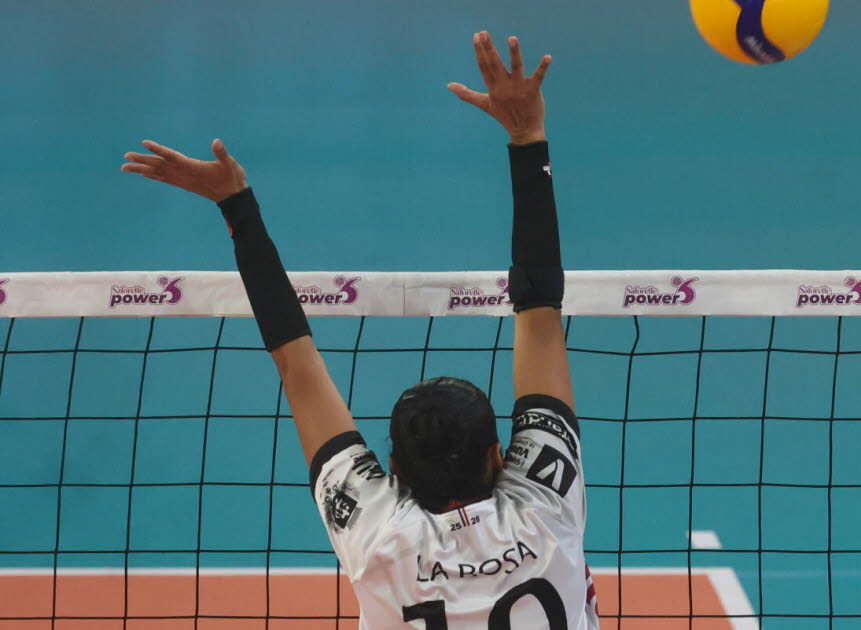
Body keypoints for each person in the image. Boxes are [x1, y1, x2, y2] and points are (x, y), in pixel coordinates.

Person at [121, 31, 600, 630]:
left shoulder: (381, 538)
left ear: (393, 473)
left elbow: (297, 367)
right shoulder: (545, 508)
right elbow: (541, 306)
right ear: (499, 456)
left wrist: (236, 204)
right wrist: (528, 140)